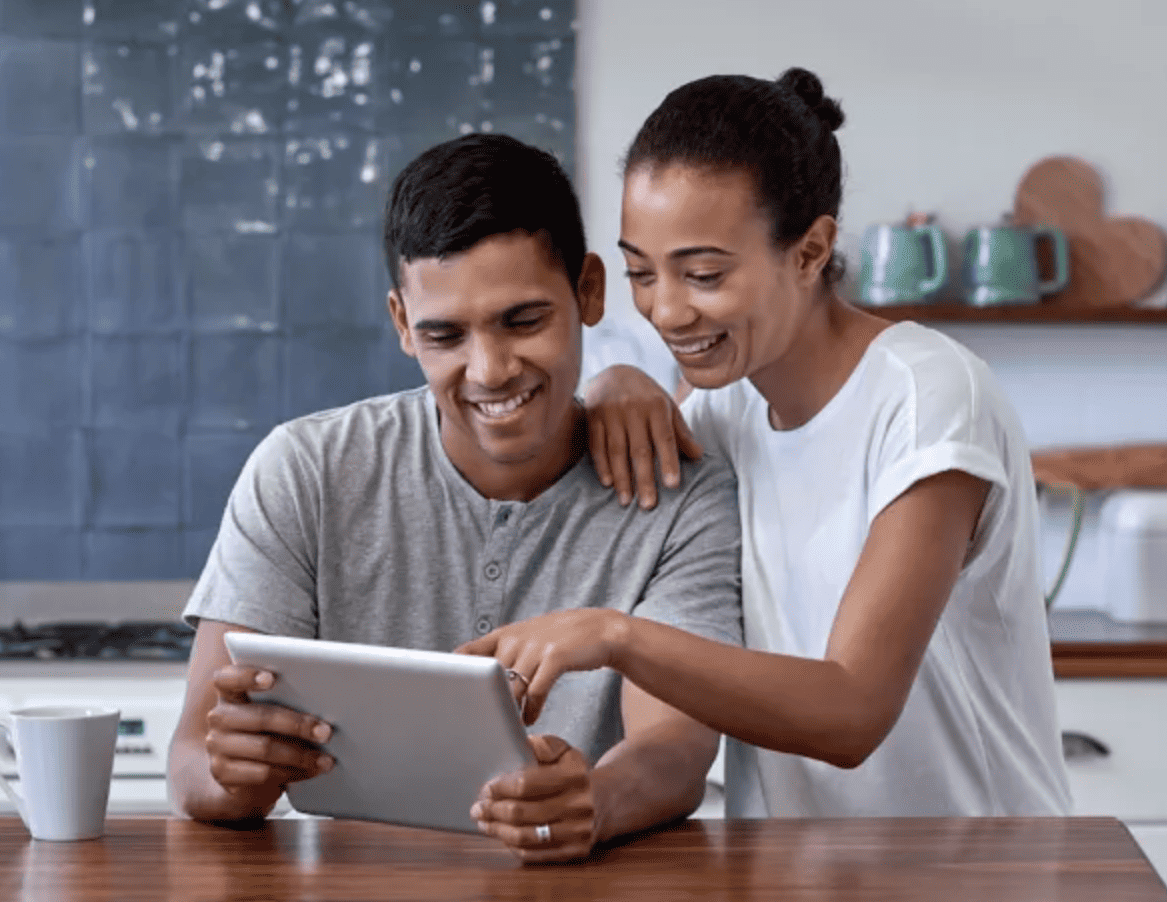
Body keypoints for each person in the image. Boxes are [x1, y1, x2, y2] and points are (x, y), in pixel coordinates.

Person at [459, 70, 1072, 817]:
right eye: (641, 273)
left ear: (811, 250)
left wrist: (617, 636)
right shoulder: (721, 406)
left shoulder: (928, 397)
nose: (668, 310)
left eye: (705, 274)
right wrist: (618, 378)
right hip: (796, 874)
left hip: (980, 871)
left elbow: (852, 712)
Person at [166, 133, 744, 862]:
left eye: (523, 321)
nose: (491, 369)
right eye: (445, 334)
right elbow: (191, 759)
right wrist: (232, 779)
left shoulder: (679, 492)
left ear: (589, 291)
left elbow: (674, 747)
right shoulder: (305, 471)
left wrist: (593, 802)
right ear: (404, 324)